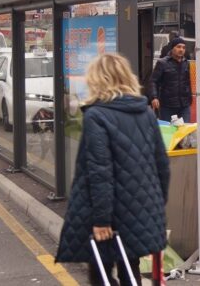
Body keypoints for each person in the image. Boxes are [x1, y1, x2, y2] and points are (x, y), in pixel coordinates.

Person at [56, 53, 170, 286]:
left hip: (109, 212)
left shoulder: (96, 116)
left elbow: (100, 173)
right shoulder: (146, 113)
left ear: (98, 79)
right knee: (131, 267)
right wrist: (154, 206)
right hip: (141, 208)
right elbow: (162, 165)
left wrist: (101, 220)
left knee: (100, 270)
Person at [150, 36, 192, 122]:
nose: (181, 49)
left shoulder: (186, 63)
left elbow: (187, 82)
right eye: (178, 47)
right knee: (169, 132)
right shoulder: (162, 63)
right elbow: (153, 81)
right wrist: (154, 97)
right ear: (172, 48)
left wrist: (189, 98)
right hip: (167, 105)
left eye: (183, 47)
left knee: (185, 131)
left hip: (184, 105)